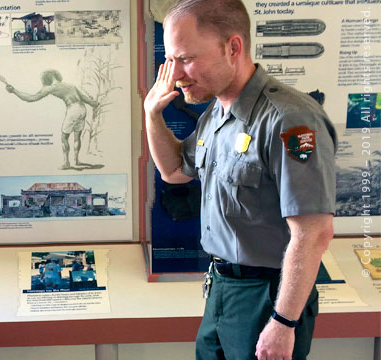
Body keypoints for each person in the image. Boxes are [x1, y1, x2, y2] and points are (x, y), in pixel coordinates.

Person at [144, 1, 336, 359]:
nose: (176, 75)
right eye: (171, 61)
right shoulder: (217, 112)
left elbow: (313, 233)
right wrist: (152, 115)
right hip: (222, 287)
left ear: (233, 48)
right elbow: (174, 172)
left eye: (185, 59)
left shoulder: (290, 120)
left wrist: (283, 322)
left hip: (267, 296)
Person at [6, 69, 99, 169]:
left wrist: (14, 91)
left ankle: (66, 163)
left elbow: (31, 98)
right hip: (82, 109)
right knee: (77, 137)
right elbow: (85, 98)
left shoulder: (50, 88)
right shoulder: (70, 85)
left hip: (72, 110)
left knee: (64, 137)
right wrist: (94, 103)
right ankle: (76, 161)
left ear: (46, 78)